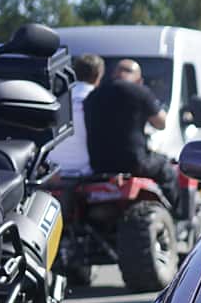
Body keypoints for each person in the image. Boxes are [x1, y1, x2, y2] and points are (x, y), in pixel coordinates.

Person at [84, 59, 178, 201]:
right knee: (166, 167)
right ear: (139, 79)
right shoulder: (140, 92)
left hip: (99, 165)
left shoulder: (93, 95)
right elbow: (161, 123)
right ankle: (174, 218)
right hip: (134, 163)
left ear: (115, 73)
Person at [48, 52, 101, 176]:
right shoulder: (101, 100)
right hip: (85, 173)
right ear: (98, 76)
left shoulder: (56, 97)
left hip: (53, 172)